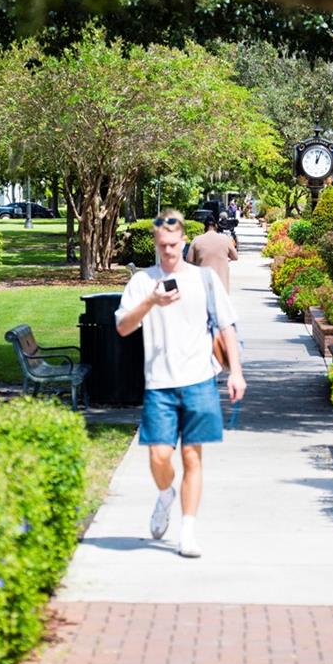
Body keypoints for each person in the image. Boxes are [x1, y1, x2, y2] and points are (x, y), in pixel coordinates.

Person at [116, 213, 246, 558]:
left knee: (192, 457)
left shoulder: (204, 280)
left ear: (184, 242)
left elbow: (227, 327)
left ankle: (187, 531)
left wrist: (236, 372)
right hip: (159, 383)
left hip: (199, 381)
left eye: (174, 245)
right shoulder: (143, 282)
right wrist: (150, 302)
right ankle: (165, 495)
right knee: (159, 456)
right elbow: (123, 327)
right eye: (162, 245)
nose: (169, 251)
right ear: (155, 244)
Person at [188, 211, 239, 290]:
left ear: (204, 227)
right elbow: (235, 257)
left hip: (203, 283)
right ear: (216, 226)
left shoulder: (197, 240)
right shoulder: (225, 239)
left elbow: (189, 260)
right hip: (221, 285)